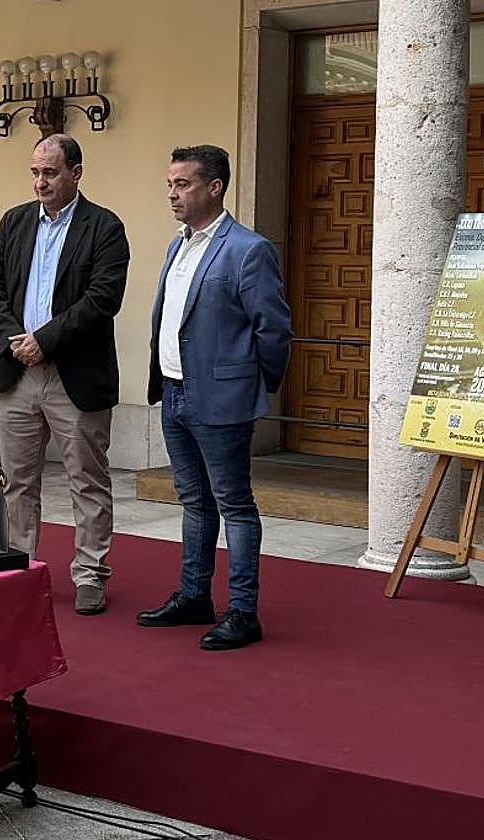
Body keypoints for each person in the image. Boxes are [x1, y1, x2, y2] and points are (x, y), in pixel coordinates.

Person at [136, 145, 291, 650]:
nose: (172, 194)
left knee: (235, 505)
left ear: (214, 187)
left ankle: (243, 611)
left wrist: (251, 385)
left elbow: (274, 329)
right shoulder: (176, 246)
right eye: (169, 185)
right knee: (194, 502)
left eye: (182, 184)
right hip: (175, 392)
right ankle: (193, 595)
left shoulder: (247, 249)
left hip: (222, 399)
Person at [0, 134, 129, 616]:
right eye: (35, 172)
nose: (40, 182)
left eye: (51, 173)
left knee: (87, 479)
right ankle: (21, 565)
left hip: (73, 374)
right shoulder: (15, 221)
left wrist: (45, 339)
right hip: (16, 372)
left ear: (76, 173)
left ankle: (89, 575)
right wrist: (12, 339)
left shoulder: (104, 227)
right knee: (16, 478)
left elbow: (102, 299)